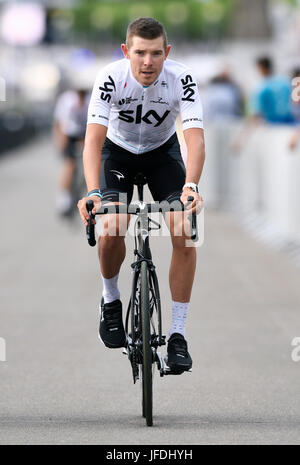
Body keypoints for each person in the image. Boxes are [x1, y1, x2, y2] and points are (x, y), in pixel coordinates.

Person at [77, 17, 205, 373]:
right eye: (139, 53)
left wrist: (192, 185)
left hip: (162, 155)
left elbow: (194, 137)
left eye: (154, 54)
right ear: (126, 52)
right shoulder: (110, 77)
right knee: (113, 223)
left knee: (183, 229)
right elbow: (93, 140)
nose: (147, 62)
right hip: (116, 154)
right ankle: (110, 298)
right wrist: (92, 192)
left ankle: (178, 335)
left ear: (167, 52)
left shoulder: (182, 77)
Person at [53, 87, 90, 216]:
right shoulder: (66, 100)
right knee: (69, 164)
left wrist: (86, 141)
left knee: (89, 164)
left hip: (84, 133)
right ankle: (64, 196)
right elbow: (59, 122)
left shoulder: (90, 99)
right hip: (68, 134)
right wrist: (60, 140)